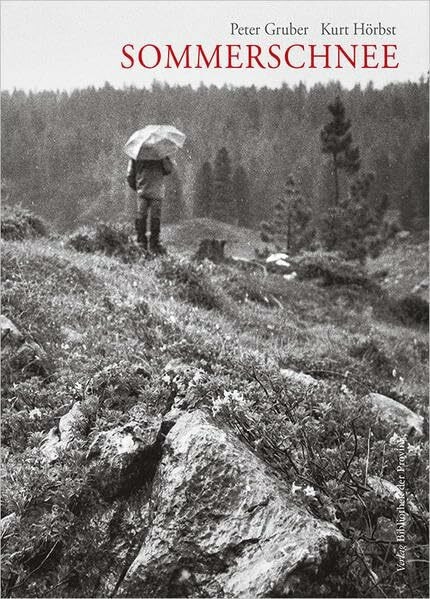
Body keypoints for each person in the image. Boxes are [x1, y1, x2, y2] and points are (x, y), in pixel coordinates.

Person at [126, 156, 173, 252]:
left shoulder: (137, 153)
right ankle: (154, 244)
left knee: (141, 216)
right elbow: (168, 170)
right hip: (157, 191)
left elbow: (130, 175)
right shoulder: (160, 153)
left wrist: (137, 187)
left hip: (142, 190)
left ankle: (141, 242)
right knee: (155, 217)